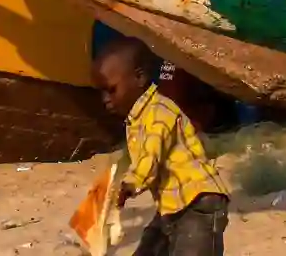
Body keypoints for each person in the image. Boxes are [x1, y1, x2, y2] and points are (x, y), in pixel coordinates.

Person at [93, 37, 230, 256]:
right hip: (172, 205)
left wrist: (129, 186)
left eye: (111, 90)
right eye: (101, 92)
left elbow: (151, 157)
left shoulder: (159, 113)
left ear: (139, 78)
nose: (105, 99)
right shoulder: (137, 119)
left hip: (198, 202)